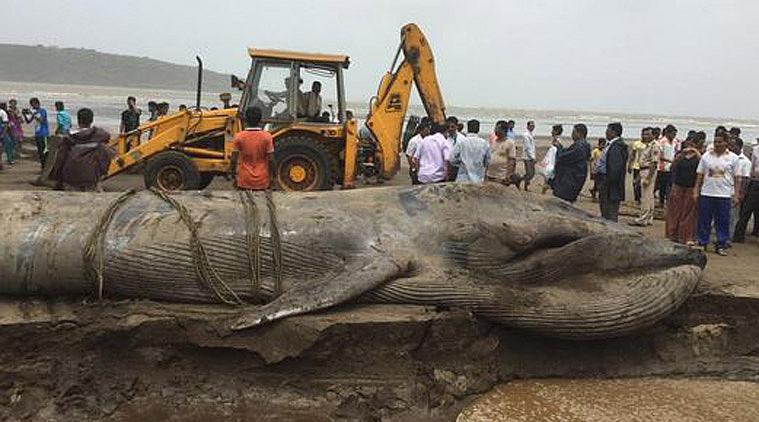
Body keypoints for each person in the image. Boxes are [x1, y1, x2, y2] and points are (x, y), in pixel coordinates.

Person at [693, 133, 740, 256]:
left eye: (720, 142)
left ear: (726, 143)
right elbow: (700, 174)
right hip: (707, 192)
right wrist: (696, 190)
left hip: (724, 194)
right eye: (715, 142)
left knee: (722, 221)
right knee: (704, 219)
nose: (717, 144)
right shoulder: (706, 156)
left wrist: (736, 194)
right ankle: (702, 242)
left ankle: (720, 244)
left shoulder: (733, 158)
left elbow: (737, 178)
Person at [52, 108, 115, 192]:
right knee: (103, 149)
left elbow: (60, 160)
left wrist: (57, 177)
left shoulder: (69, 139)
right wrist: (102, 173)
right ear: (92, 120)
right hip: (91, 178)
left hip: (70, 177)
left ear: (78, 120)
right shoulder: (100, 138)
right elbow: (106, 158)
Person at [665, 139, 701, 243]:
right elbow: (672, 168)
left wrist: (696, 152)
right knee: (675, 211)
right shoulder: (680, 156)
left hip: (691, 186)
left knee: (688, 212)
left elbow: (702, 168)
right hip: (678, 185)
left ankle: (685, 236)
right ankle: (672, 234)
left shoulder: (698, 157)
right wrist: (679, 156)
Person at [231, 107, 275, 191]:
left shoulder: (239, 136)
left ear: (246, 120)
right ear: (260, 120)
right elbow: (271, 160)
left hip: (244, 179)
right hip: (262, 180)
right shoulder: (267, 137)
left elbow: (233, 160)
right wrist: (273, 177)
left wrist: (234, 176)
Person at [596, 123, 628, 221]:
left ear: (614, 132)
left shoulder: (616, 147)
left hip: (610, 186)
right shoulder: (610, 145)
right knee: (606, 211)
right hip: (607, 183)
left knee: (609, 213)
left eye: (608, 130)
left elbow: (615, 169)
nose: (606, 132)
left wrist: (606, 182)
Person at [552, 123, 591, 202]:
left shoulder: (580, 146)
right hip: (574, 178)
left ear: (579, 134)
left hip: (570, 180)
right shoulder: (584, 145)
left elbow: (563, 157)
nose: (572, 135)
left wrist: (558, 148)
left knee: (563, 203)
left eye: (573, 132)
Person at [630, 128, 660, 226]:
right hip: (644, 170)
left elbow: (654, 163)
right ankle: (649, 218)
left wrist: (648, 178)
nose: (645, 136)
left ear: (653, 135)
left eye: (647, 134)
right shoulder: (647, 146)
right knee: (649, 196)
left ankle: (642, 218)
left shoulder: (654, 146)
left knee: (646, 196)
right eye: (644, 134)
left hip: (648, 171)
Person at [733, 139, 759, 243]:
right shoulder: (756, 150)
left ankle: (756, 231)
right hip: (756, 181)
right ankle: (738, 235)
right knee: (747, 209)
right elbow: (752, 167)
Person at [730, 138, 752, 240]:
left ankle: (731, 236)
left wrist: (741, 193)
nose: (731, 147)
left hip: (736, 191)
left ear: (739, 147)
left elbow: (745, 179)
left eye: (733, 145)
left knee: (734, 216)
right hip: (726, 190)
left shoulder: (745, 162)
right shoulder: (729, 158)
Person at [22, 97, 49, 168]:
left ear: (38, 103)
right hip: (37, 133)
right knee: (40, 151)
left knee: (45, 151)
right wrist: (25, 114)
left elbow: (41, 120)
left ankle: (45, 166)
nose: (33, 106)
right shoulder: (35, 112)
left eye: (34, 104)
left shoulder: (42, 111)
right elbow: (28, 121)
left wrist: (32, 113)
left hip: (44, 133)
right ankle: (43, 166)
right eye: (32, 105)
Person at [656, 124, 679, 208]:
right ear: (667, 133)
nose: (674, 136)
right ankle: (661, 202)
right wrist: (670, 160)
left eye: (675, 134)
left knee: (670, 185)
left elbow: (676, 152)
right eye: (673, 134)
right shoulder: (661, 142)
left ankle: (668, 201)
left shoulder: (675, 142)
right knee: (662, 185)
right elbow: (659, 156)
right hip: (662, 167)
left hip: (672, 167)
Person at [405, 119, 431, 185]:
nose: (428, 132)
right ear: (421, 131)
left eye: (428, 130)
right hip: (415, 166)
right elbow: (409, 155)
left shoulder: (428, 139)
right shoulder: (414, 141)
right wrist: (414, 168)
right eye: (426, 130)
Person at [538, 124, 562, 194]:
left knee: (548, 177)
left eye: (553, 130)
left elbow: (557, 151)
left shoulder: (557, 140)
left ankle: (544, 192)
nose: (551, 132)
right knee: (547, 177)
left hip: (552, 161)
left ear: (556, 131)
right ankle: (544, 191)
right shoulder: (556, 140)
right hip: (552, 161)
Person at [627, 134, 646, 203]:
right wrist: (629, 165)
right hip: (636, 166)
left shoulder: (650, 145)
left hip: (645, 167)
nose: (645, 136)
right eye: (644, 134)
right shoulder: (636, 144)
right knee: (635, 183)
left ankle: (642, 197)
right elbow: (633, 155)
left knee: (643, 183)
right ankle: (637, 198)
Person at [445, 116, 463, 181]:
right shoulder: (445, 137)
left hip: (456, 168)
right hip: (445, 167)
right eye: (448, 127)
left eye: (452, 127)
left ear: (457, 126)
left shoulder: (462, 139)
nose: (450, 129)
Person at [521, 121, 536, 191]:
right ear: (527, 126)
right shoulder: (526, 135)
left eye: (533, 126)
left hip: (530, 156)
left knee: (532, 173)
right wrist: (532, 157)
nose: (532, 127)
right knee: (530, 173)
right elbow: (527, 147)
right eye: (531, 125)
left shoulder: (530, 134)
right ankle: (525, 186)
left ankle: (523, 181)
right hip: (528, 157)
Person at [0, 102, 12, 167]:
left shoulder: (3, 113)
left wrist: (3, 133)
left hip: (2, 132)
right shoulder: (3, 113)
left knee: (3, 146)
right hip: (3, 133)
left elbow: (5, 124)